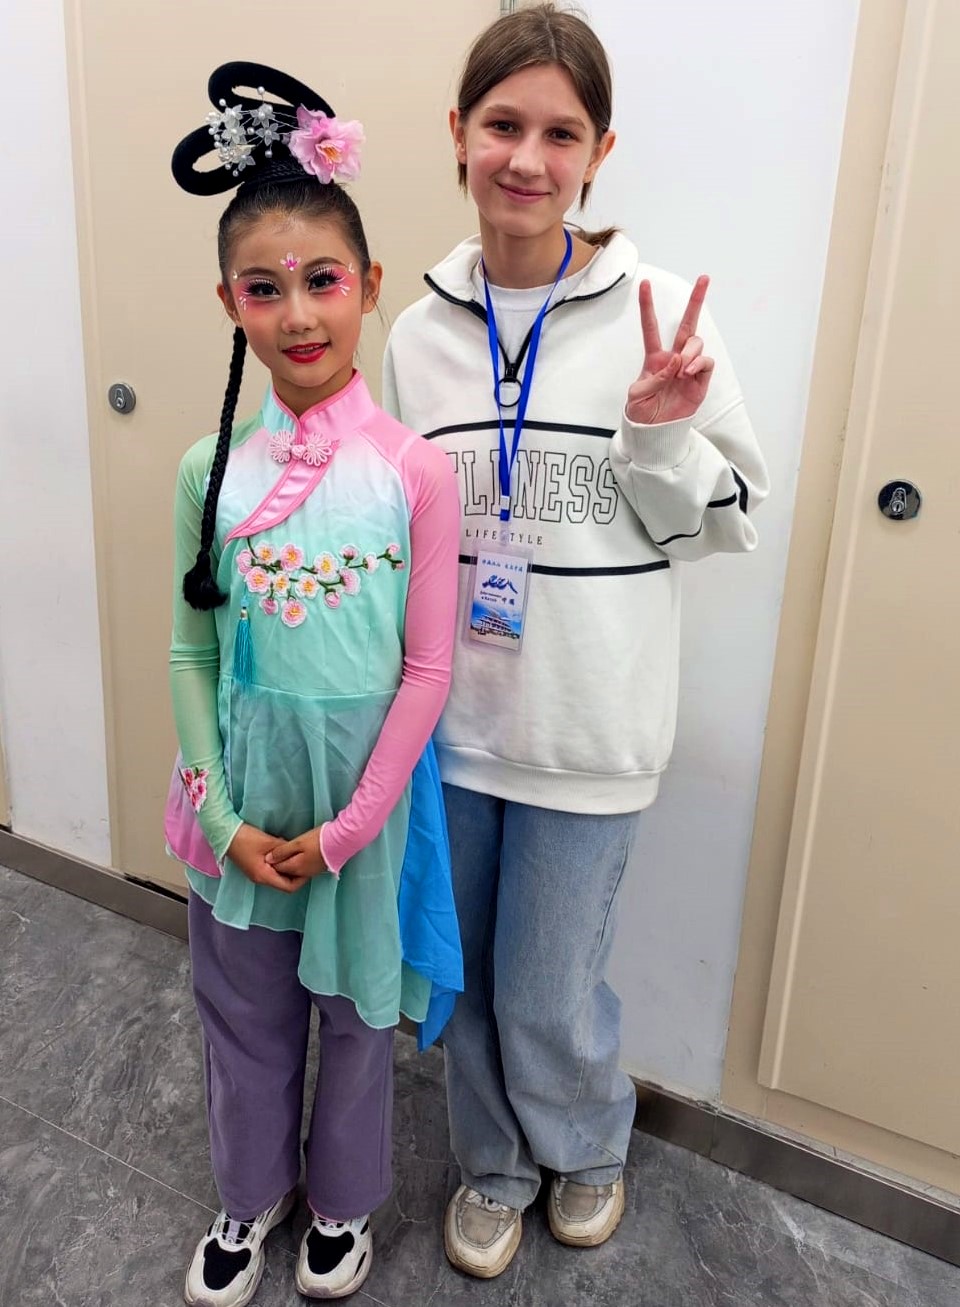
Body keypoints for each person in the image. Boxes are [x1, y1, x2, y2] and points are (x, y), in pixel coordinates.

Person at [383, 3, 769, 1279]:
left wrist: (659, 434)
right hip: (453, 725)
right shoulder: (418, 332)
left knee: (548, 987)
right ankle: (494, 1166)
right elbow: (412, 530)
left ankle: (589, 1143)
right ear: (459, 132)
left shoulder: (660, 313)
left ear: (601, 150)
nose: (527, 159)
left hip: (589, 724)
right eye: (503, 125)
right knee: (463, 979)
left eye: (561, 133)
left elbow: (727, 524)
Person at [164, 63, 461, 1306]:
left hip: (363, 813)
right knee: (244, 1019)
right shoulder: (208, 469)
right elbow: (190, 652)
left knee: (356, 1021)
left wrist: (349, 827)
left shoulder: (415, 472)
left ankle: (341, 1202)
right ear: (229, 301)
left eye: (322, 280)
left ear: (370, 285)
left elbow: (429, 665)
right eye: (265, 286)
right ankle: (249, 1195)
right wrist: (224, 813)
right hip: (241, 802)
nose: (297, 313)